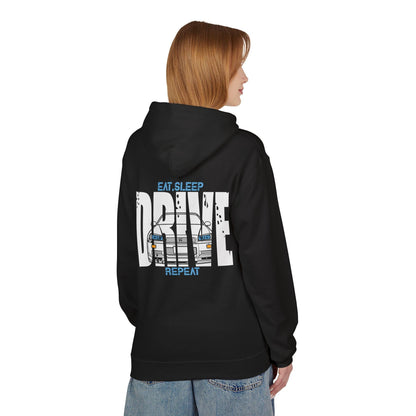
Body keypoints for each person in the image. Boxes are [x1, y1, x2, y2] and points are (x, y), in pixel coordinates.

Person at [117, 20, 298, 416]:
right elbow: (264, 261)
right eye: (236, 66)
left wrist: (157, 324)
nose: (245, 77)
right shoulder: (244, 152)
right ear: (211, 72)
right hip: (235, 359)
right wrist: (282, 346)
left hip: (156, 357)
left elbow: (130, 256)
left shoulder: (138, 148)